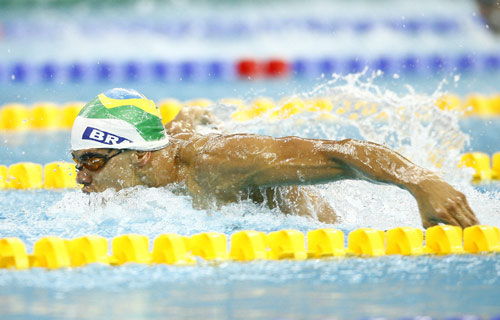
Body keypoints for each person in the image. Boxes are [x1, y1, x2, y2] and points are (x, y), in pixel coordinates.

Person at [71, 88, 479, 229]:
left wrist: (422, 183)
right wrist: (200, 116)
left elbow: (339, 152)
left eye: (92, 161)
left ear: (139, 157)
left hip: (323, 233)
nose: (81, 178)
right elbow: (183, 120)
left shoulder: (215, 164)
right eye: (78, 161)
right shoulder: (160, 149)